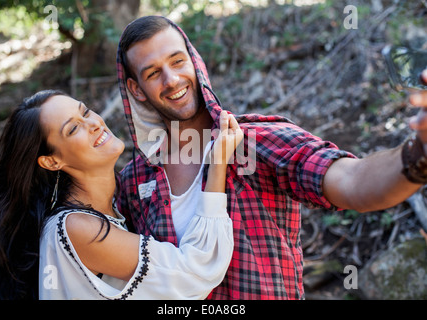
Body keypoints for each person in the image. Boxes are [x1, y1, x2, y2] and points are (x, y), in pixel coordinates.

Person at [116, 15, 427, 300]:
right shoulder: (134, 181)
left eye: (177, 61)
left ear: (195, 62)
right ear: (137, 89)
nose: (171, 80)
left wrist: (419, 151)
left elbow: (352, 180)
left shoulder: (258, 140)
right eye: (154, 72)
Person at [0, 89, 244, 300]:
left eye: (86, 111)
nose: (93, 124)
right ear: (52, 162)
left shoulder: (117, 206)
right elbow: (196, 270)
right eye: (72, 128)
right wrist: (217, 161)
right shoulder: (74, 228)